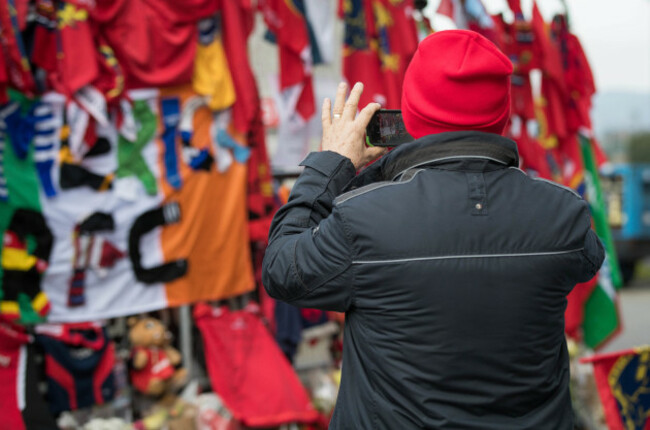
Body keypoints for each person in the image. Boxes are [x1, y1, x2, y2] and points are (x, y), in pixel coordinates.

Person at [262, 30, 604, 429]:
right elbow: (586, 258)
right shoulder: (564, 214)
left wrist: (333, 164)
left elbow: (282, 269)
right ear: (501, 114)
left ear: (413, 113)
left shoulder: (364, 220)